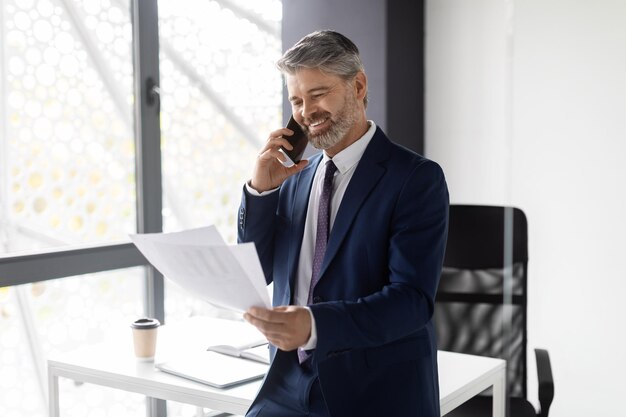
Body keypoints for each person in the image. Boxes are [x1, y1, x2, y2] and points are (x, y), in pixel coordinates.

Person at [238, 30, 449, 417]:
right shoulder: (294, 176)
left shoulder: (415, 179)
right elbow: (260, 270)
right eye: (297, 101)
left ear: (359, 85)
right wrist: (260, 192)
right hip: (287, 382)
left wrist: (315, 325)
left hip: (374, 392)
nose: (306, 112)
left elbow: (411, 302)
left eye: (318, 94)